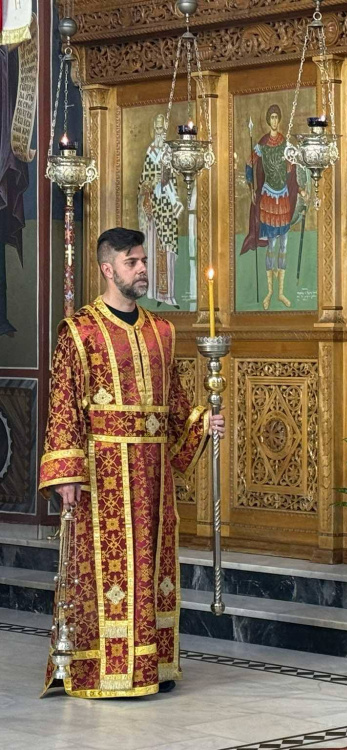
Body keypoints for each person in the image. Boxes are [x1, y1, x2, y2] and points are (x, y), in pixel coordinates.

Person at [39, 227, 224, 697]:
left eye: (143, 261)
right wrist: (66, 473)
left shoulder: (161, 332)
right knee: (106, 571)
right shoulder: (79, 331)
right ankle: (103, 670)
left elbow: (175, 404)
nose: (142, 269)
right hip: (102, 473)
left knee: (151, 566)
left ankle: (152, 666)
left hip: (153, 472)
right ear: (108, 269)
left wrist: (203, 422)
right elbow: (63, 405)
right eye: (132, 262)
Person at [240, 104, 305, 309]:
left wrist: (301, 189)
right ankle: (269, 292)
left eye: (277, 117)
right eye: (272, 117)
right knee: (272, 246)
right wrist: (251, 187)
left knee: (284, 246)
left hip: (283, 198)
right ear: (269, 120)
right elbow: (249, 164)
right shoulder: (262, 144)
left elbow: (294, 171)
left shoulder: (285, 144)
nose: (275, 121)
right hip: (268, 198)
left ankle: (281, 292)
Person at [138, 114, 184, 307]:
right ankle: (155, 293)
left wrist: (173, 198)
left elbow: (174, 180)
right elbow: (143, 182)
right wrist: (151, 183)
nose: (160, 132)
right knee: (154, 249)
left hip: (167, 210)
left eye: (162, 129)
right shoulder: (150, 152)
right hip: (154, 210)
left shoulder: (169, 152)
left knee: (168, 249)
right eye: (157, 129)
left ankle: (168, 295)